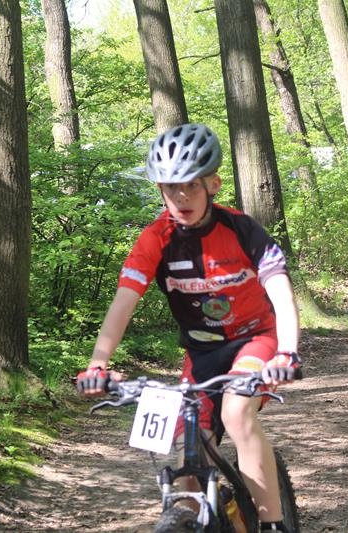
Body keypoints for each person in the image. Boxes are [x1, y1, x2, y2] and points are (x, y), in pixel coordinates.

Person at [76, 123, 301, 532]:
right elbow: (123, 303)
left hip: (254, 340)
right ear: (159, 189)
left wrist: (286, 352)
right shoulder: (156, 239)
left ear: (213, 184)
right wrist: (98, 364)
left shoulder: (242, 229)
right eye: (171, 187)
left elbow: (280, 291)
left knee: (236, 412)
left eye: (192, 186)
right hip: (200, 354)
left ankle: (274, 524)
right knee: (188, 452)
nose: (181, 197)